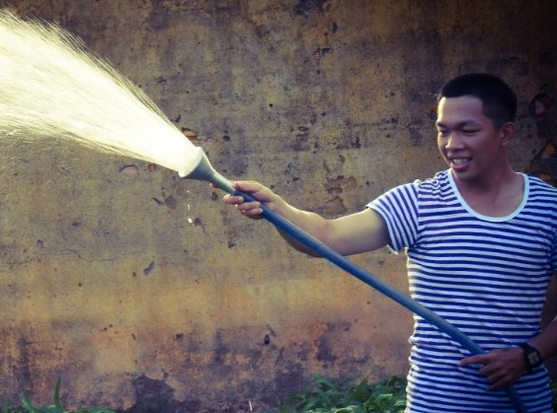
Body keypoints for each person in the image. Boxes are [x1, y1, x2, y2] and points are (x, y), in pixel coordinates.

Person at [224, 73, 557, 412]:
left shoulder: (549, 209)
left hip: (525, 403)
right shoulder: (418, 202)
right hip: (435, 405)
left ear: (506, 134)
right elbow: (326, 237)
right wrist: (277, 208)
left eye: (467, 130)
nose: (451, 144)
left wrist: (529, 355)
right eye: (443, 131)